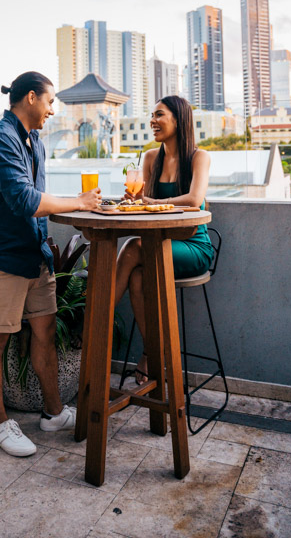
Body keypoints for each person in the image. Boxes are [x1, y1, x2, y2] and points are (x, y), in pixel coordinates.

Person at [0, 71, 101, 457]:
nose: (52, 110)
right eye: (50, 101)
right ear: (30, 97)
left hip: (33, 255)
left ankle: (54, 413)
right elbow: (25, 200)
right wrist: (79, 202)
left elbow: (38, 201)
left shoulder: (34, 140)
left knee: (44, 330)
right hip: (1, 258)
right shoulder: (0, 140)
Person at [114, 95, 213, 384]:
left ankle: (94, 324)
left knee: (133, 247)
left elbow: (195, 200)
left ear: (178, 119)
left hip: (193, 247)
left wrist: (153, 201)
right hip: (157, 244)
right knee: (136, 278)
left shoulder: (199, 157)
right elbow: (142, 204)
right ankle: (151, 353)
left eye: (159, 115)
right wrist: (133, 201)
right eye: (152, 115)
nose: (152, 121)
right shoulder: (150, 158)